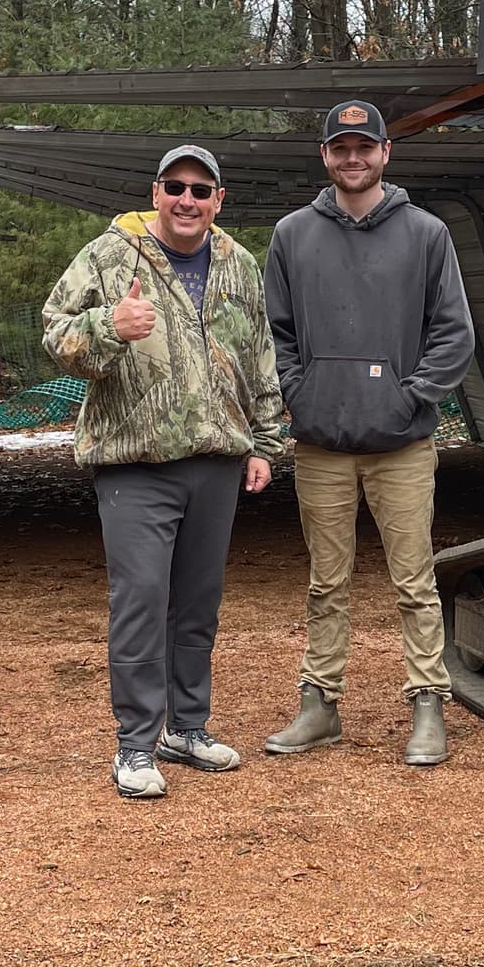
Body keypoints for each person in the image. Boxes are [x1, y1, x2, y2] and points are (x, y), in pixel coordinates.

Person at [42, 146, 284, 800]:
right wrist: (108, 325)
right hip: (136, 463)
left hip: (217, 460)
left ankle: (187, 727)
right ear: (155, 192)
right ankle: (135, 744)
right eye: (175, 186)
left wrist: (264, 444)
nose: (187, 200)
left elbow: (259, 356)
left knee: (198, 604)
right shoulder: (108, 255)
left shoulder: (239, 264)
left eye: (201, 190)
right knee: (142, 601)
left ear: (219, 201)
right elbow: (54, 333)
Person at [262, 99, 476, 767]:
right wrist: (300, 392)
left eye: (364, 147)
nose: (352, 158)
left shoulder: (426, 234)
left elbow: (454, 332)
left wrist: (410, 396)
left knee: (414, 582)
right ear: (325, 156)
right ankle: (319, 705)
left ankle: (428, 705)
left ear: (386, 152)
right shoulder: (292, 235)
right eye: (340, 148)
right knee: (326, 583)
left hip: (402, 445)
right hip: (321, 444)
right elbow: (275, 333)